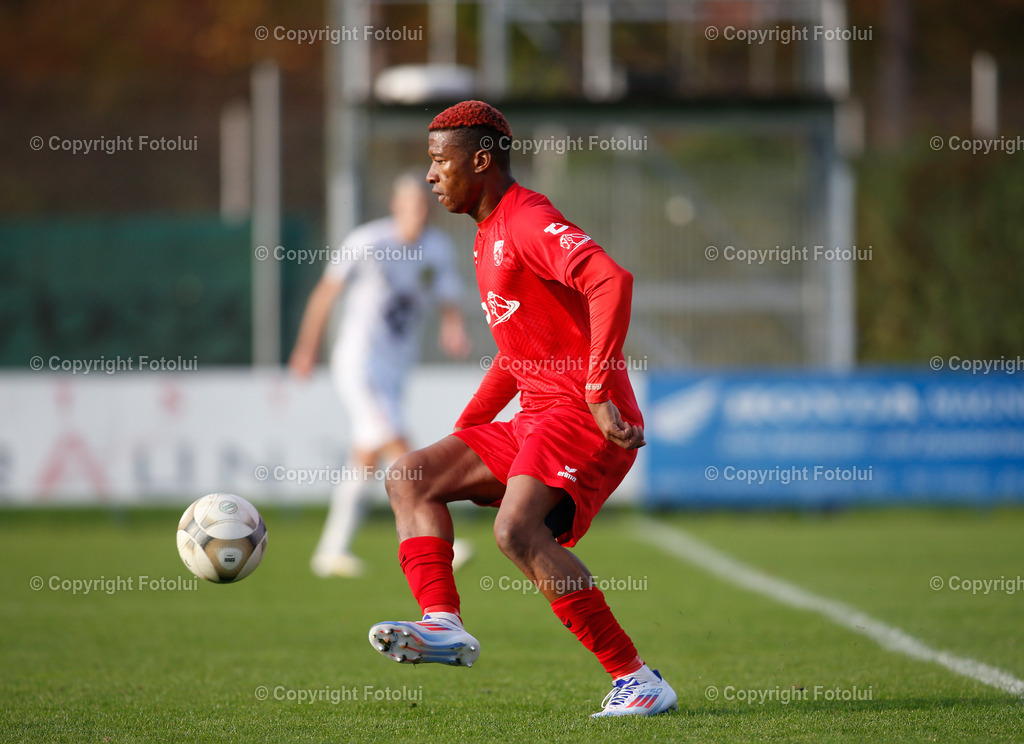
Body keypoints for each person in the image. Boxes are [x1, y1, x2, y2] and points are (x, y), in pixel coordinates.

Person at [367, 101, 676, 718]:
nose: (430, 177)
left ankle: (638, 679)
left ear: (480, 161)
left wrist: (595, 391)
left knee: (515, 531)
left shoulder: (528, 220)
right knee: (412, 477)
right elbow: (517, 355)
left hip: (583, 418)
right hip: (538, 417)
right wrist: (468, 434)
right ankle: (444, 623)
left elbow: (612, 280)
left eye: (438, 160)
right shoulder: (486, 237)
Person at [289, 173, 473, 578]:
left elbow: (448, 299)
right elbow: (325, 294)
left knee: (366, 459)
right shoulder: (367, 242)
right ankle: (444, 542)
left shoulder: (437, 248)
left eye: (425, 207)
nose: (418, 214)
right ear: (396, 207)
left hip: (396, 368)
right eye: (410, 206)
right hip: (359, 363)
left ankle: (331, 551)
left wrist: (452, 327)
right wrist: (306, 349)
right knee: (401, 445)